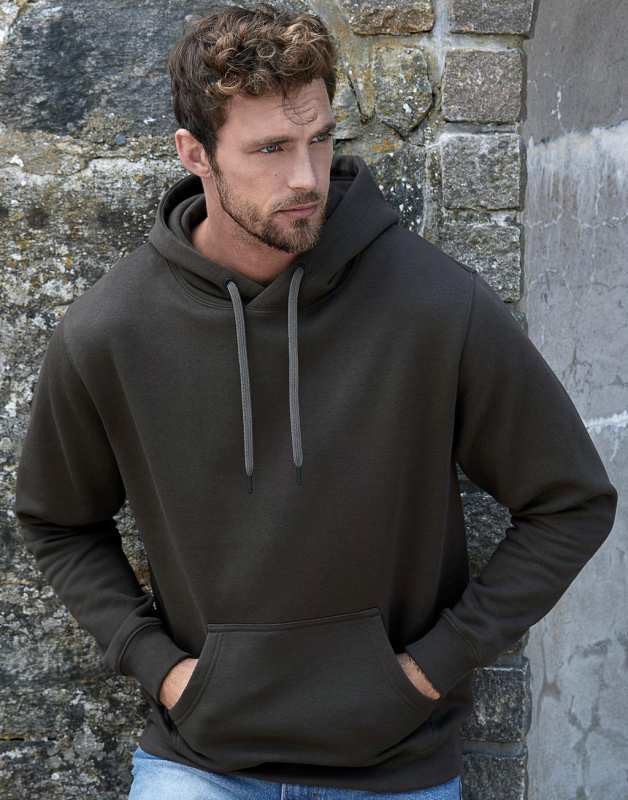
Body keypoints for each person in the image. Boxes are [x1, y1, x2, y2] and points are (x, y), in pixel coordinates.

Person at [14, 4, 617, 800]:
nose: (307, 178)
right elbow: (57, 522)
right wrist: (163, 670)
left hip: (394, 767)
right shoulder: (110, 331)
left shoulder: (436, 305)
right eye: (271, 148)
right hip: (203, 761)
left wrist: (428, 670)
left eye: (322, 139)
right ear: (194, 153)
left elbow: (570, 501)